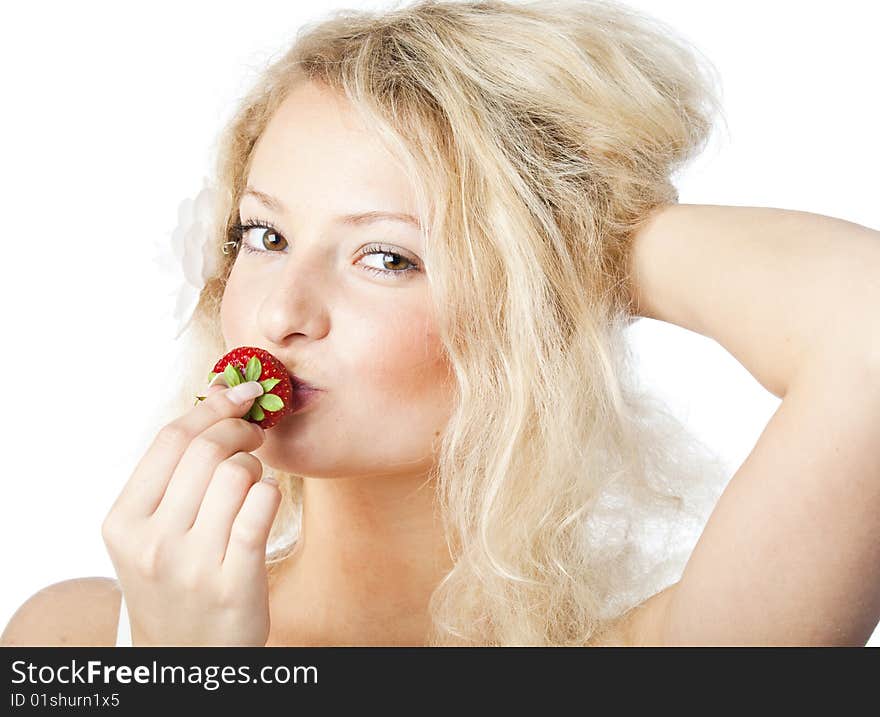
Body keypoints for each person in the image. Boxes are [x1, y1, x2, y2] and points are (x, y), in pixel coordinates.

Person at [3, 0, 878, 647]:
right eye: (264, 234)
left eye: (386, 258)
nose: (277, 310)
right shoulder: (71, 637)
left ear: (523, 314)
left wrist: (562, 243)